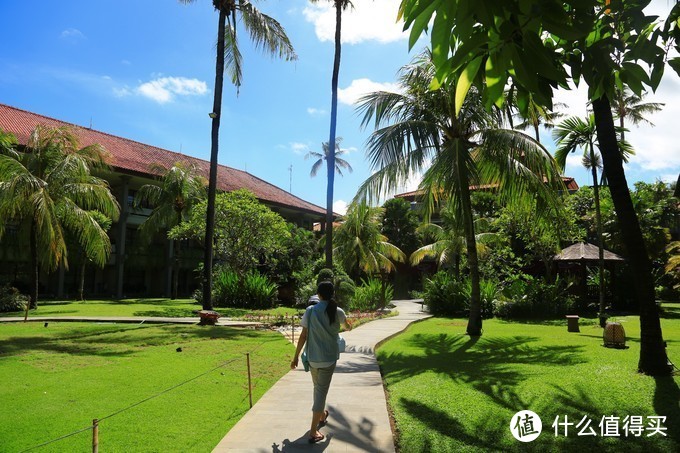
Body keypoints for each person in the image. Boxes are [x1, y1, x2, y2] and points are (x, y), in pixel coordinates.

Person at [291, 281, 348, 443]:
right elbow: (347, 326)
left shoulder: (310, 311)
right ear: (332, 294)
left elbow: (303, 336)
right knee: (320, 392)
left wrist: (295, 357)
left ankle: (322, 415)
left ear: (319, 294)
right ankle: (313, 431)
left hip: (313, 358)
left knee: (318, 389)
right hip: (329, 359)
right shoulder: (338, 311)